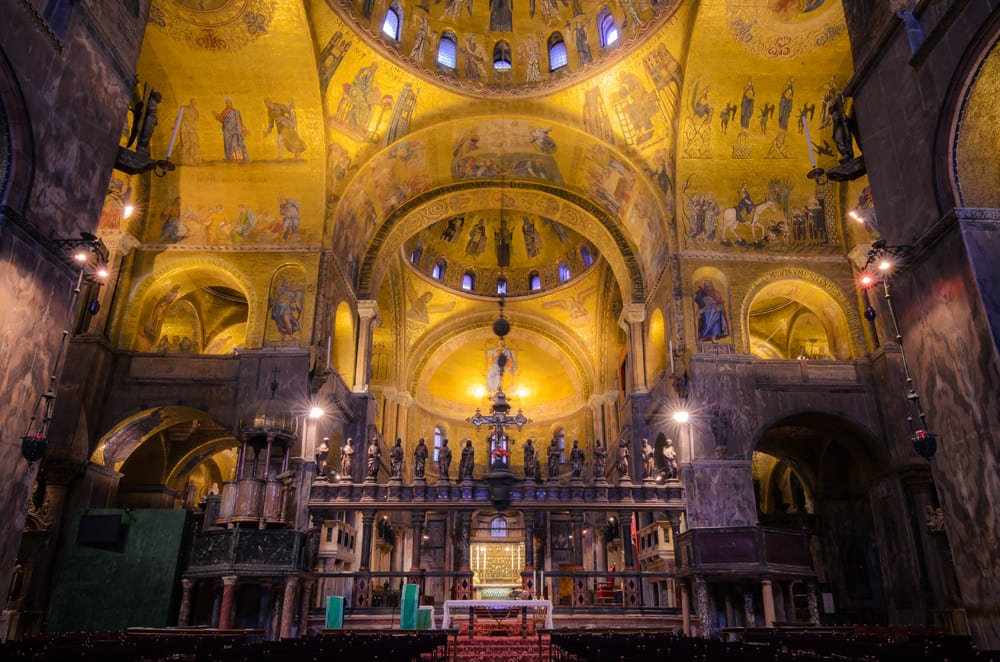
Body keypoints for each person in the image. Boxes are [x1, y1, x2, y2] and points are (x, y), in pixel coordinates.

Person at [215, 98, 249, 162]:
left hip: (236, 131)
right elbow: (222, 120)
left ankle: (238, 158)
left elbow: (240, 122)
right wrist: (217, 116)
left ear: (231, 103)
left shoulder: (236, 112)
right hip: (227, 131)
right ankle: (231, 158)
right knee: (229, 145)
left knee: (235, 143)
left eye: (230, 102)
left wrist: (244, 129)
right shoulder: (224, 112)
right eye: (227, 103)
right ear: (226, 104)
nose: (229, 104)